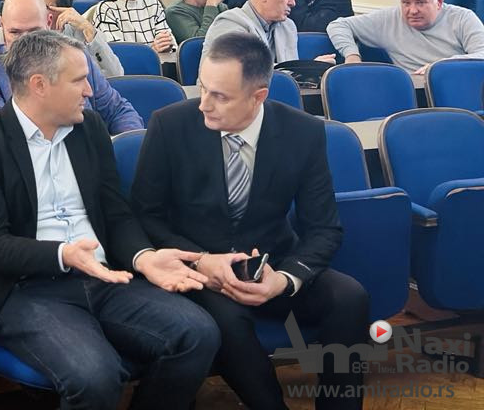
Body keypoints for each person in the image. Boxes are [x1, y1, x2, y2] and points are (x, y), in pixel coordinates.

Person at [0, 30, 219, 410]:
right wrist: (63, 254)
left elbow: (115, 212)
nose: (90, 91)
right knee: (94, 375)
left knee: (199, 333)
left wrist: (143, 257)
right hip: (27, 289)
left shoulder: (89, 128)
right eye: (79, 81)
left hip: (105, 277)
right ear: (39, 85)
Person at [132, 33, 368, 410]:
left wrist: (285, 279)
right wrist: (201, 260)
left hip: (271, 262)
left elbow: (324, 228)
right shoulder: (170, 125)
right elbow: (146, 216)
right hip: (200, 268)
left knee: (350, 297)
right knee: (226, 320)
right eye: (203, 88)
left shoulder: (302, 131)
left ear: (258, 96)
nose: (204, 104)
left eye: (220, 96)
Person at [0, 0, 141, 133]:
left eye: (34, 32)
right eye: (15, 33)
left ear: (49, 22)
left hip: (86, 159)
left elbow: (118, 111)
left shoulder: (76, 57)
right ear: (2, 26)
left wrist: (125, 151)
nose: (25, 42)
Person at [327, 0, 484, 73]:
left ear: (439, 1)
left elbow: (482, 54)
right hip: (414, 96)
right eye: (406, 3)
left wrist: (440, 67)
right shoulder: (389, 19)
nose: (412, 10)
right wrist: (352, 55)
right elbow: (338, 25)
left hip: (456, 91)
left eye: (421, 2)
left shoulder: (462, 18)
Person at [29, 0, 124, 78]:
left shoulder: (81, 34)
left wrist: (90, 32)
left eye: (42, 6)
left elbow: (115, 75)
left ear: (63, 10)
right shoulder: (20, 30)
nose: (33, 9)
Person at [202, 0, 299, 63]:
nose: (293, 3)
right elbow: (228, 72)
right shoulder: (229, 24)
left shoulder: (288, 27)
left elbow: (292, 70)